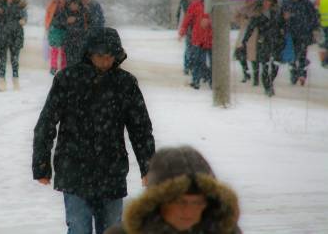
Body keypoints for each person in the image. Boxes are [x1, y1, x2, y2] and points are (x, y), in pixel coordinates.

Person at [33, 27, 155, 234]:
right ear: (89, 53)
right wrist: (41, 165)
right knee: (79, 228)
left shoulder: (125, 83)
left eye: (111, 56)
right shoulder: (67, 79)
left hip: (112, 171)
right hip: (73, 169)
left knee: (112, 230)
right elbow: (46, 124)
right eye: (101, 56)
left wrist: (148, 166)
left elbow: (141, 129)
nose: (106, 61)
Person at [105, 146, 241, 234]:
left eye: (197, 202)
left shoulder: (226, 231)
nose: (189, 211)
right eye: (180, 201)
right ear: (158, 201)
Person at [241, 0, 284, 97]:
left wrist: (283, 37)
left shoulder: (277, 13)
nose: (267, 3)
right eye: (265, 1)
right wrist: (245, 40)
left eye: (269, 1)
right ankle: (267, 87)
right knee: (265, 65)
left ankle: (270, 81)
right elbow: (250, 28)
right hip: (263, 41)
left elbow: (283, 25)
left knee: (275, 66)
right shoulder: (257, 15)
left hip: (276, 42)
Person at [0, 0, 28, 91]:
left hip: (16, 34)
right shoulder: (0, 4)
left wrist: (23, 20)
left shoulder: (20, 4)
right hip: (3, 34)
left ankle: (15, 79)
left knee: (15, 59)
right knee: (2, 59)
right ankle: (2, 81)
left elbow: (25, 16)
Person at [280, 0, 319, 86]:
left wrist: (313, 28)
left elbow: (314, 16)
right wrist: (284, 20)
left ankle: (302, 73)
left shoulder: (306, 3)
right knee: (292, 55)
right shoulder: (286, 3)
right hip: (290, 34)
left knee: (302, 54)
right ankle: (293, 74)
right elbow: (280, 18)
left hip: (303, 34)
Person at [179, 0, 212, 90]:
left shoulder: (214, 6)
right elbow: (187, 19)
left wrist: (210, 21)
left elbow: (222, 20)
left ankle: (212, 81)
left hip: (212, 39)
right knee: (198, 61)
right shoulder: (195, 5)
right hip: (198, 38)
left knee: (213, 63)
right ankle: (196, 81)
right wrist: (182, 31)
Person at [55, 0, 89, 67]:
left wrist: (76, 19)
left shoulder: (83, 12)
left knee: (80, 63)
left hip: (81, 43)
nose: (73, 5)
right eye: (71, 3)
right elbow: (57, 23)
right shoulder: (64, 12)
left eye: (75, 3)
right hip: (68, 43)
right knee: (70, 63)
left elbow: (89, 24)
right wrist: (66, 22)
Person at [233, 0, 259, 84]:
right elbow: (236, 20)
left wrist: (248, 18)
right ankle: (246, 72)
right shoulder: (243, 9)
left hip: (253, 36)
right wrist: (240, 13)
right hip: (243, 34)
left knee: (253, 57)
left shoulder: (258, 9)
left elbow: (255, 22)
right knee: (241, 54)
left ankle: (255, 76)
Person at [45, 0, 68, 75]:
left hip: (64, 30)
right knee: (54, 49)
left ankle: (63, 67)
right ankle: (53, 67)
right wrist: (47, 25)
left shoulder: (68, 4)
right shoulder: (53, 3)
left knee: (63, 50)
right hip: (54, 29)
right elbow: (48, 14)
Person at [177, 0, 199, 75]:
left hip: (193, 31)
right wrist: (182, 30)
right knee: (189, 50)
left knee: (191, 50)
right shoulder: (185, 5)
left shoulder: (191, 4)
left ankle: (189, 66)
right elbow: (183, 18)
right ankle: (188, 66)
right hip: (190, 31)